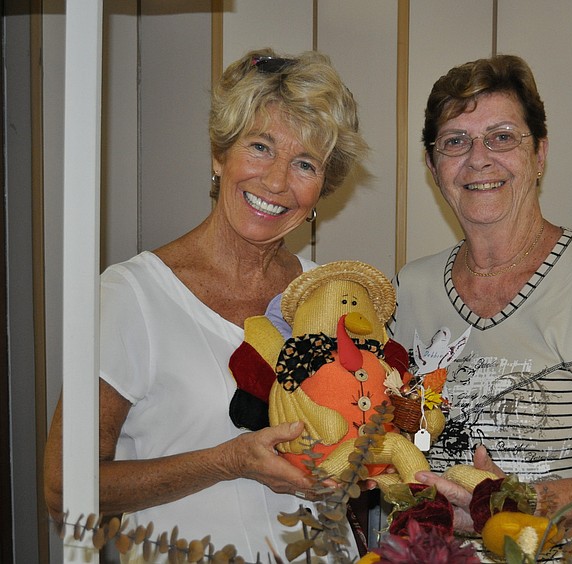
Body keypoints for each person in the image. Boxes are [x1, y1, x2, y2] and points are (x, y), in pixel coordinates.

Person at [44, 48, 368, 562]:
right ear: (220, 155)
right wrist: (227, 461)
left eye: (304, 163)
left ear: (321, 192)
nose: (277, 181)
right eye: (260, 147)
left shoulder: (327, 296)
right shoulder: (132, 296)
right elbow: (63, 489)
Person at [387, 54, 572, 563]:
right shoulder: (410, 288)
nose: (478, 158)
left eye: (501, 137)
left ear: (539, 153)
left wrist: (519, 505)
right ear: (433, 167)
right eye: (455, 141)